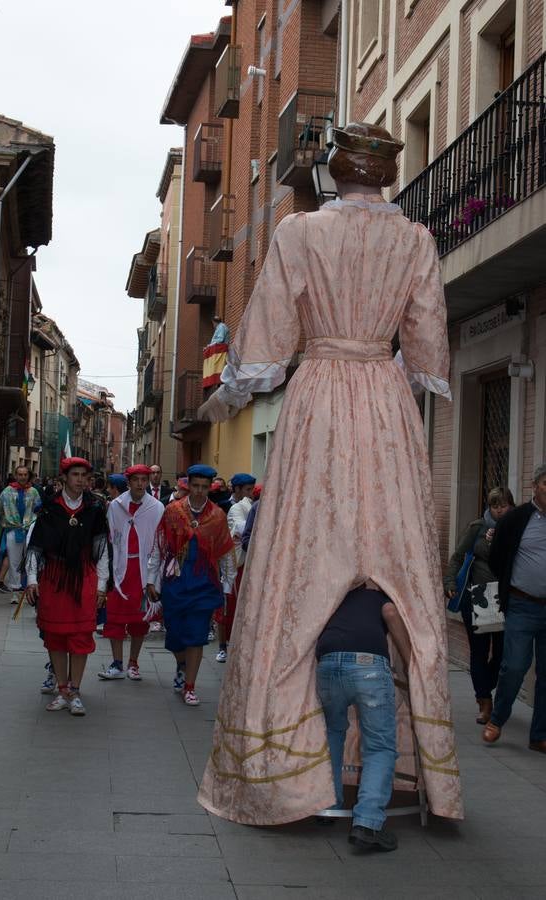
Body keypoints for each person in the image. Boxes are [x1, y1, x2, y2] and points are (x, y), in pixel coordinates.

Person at [196, 122, 463, 825]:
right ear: (386, 178)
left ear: (329, 174)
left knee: (297, 556)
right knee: (393, 546)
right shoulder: (415, 241)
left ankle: (290, 768)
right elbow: (429, 344)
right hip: (382, 397)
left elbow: (265, 343)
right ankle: (405, 771)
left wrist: (228, 392)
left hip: (316, 394)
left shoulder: (300, 234)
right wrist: (410, 377)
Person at [316, 582, 411, 852]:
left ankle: (328, 805)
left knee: (333, 732)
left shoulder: (336, 594)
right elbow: (391, 613)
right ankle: (367, 824)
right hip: (368, 666)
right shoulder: (378, 595)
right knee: (379, 744)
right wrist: (411, 663)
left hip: (328, 662)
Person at [25, 457, 109, 716]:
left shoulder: (95, 508)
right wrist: (31, 580)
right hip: (54, 577)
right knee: (56, 637)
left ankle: (74, 691)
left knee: (81, 636)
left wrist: (102, 585)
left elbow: (102, 550)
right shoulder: (49, 508)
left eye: (84, 475)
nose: (81, 480)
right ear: (64, 478)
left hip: (84, 576)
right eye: (75, 475)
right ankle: (62, 690)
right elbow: (35, 547)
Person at [147, 465, 236, 706]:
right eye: (195, 486)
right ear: (188, 485)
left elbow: (226, 553)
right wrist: (151, 580)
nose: (199, 491)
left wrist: (227, 587)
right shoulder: (172, 511)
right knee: (175, 636)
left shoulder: (218, 515)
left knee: (196, 636)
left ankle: (190, 686)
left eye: (204, 487)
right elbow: (159, 545)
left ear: (210, 488)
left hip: (204, 582)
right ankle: (182, 664)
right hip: (175, 581)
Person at [483, 464, 546, 752]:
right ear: (535, 486)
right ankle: (497, 719)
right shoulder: (517, 518)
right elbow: (497, 559)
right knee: (515, 666)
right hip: (522, 605)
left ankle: (539, 734)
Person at [444, 487, 514, 724]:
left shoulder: (518, 528)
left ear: (511, 506)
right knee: (480, 651)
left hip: (507, 598)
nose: (499, 510)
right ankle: (484, 701)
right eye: (495, 506)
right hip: (480, 596)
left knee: (504, 653)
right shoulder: (477, 528)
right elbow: (457, 557)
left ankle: (487, 684)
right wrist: (450, 581)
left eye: (503, 505)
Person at [98, 465, 164, 681]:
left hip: (143, 571)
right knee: (115, 619)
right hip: (119, 571)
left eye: (144, 479)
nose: (140, 483)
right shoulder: (116, 506)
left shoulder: (156, 507)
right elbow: (110, 537)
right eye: (135, 479)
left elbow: (159, 542)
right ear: (128, 482)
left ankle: (133, 663)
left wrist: (154, 576)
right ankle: (116, 663)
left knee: (139, 620)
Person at [215, 473, 256, 663]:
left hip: (248, 562)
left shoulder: (250, 506)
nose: (250, 493)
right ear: (237, 489)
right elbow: (242, 527)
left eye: (252, 489)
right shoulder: (233, 508)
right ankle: (223, 646)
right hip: (233, 563)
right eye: (247, 490)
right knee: (227, 606)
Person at [0, 465, 41, 604]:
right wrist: (6, 524)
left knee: (30, 561)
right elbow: (0, 510)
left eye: (25, 474)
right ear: (15, 475)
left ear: (28, 476)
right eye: (20, 474)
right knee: (14, 561)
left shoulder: (34, 492)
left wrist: (34, 524)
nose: (22, 477)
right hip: (13, 529)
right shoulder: (7, 492)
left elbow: (39, 509)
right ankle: (15, 592)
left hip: (30, 530)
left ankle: (30, 590)